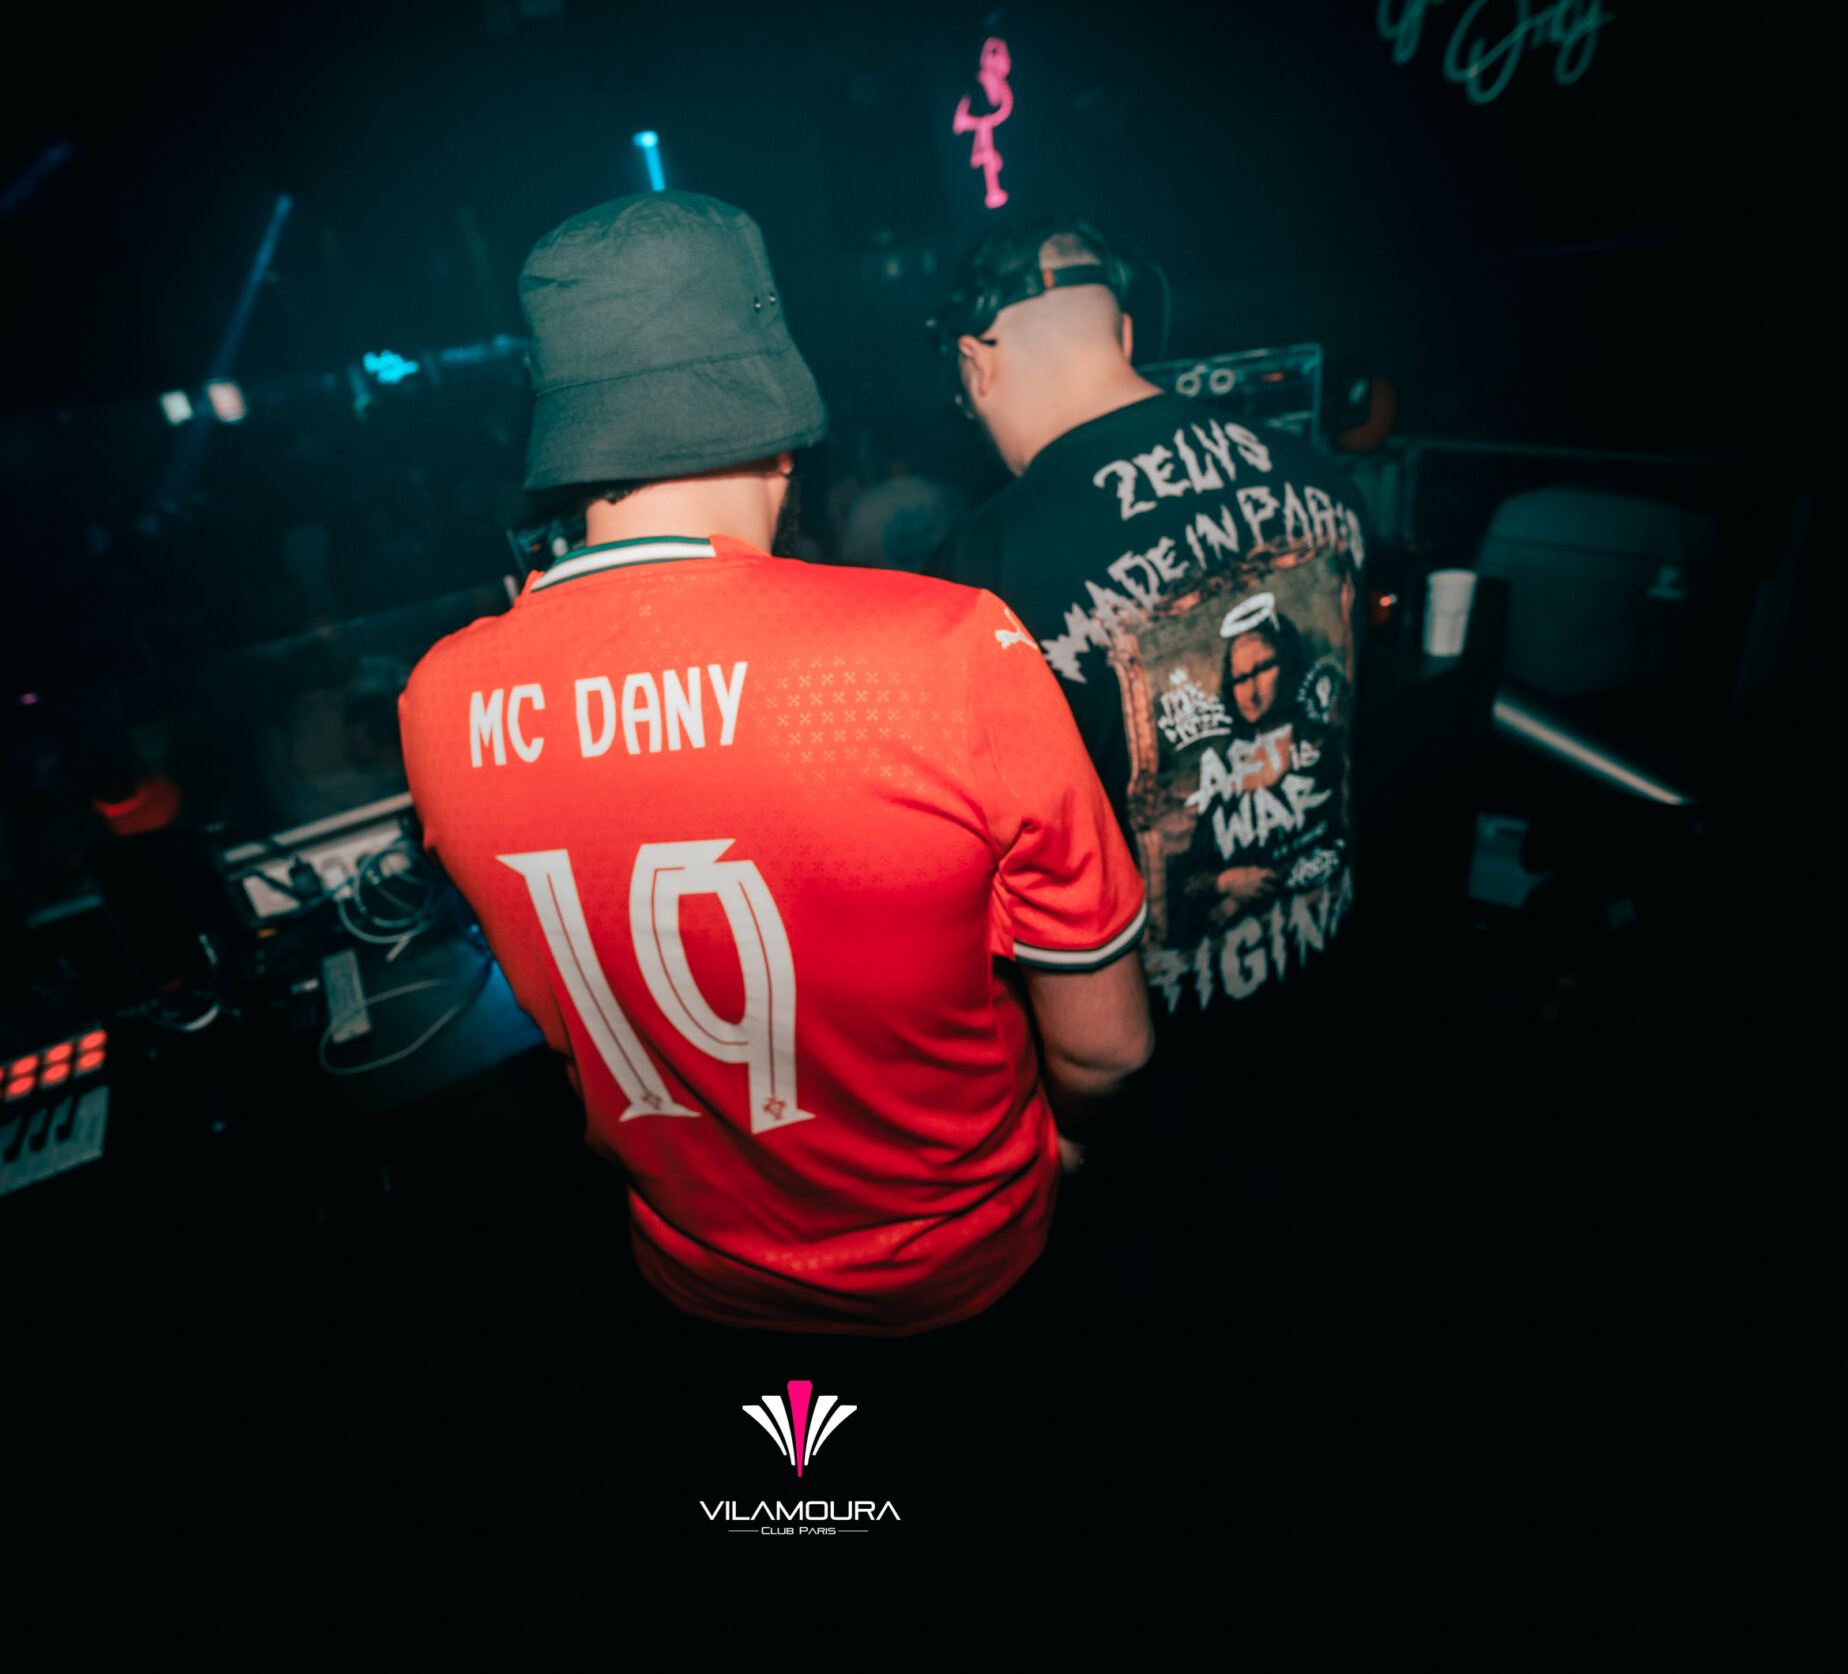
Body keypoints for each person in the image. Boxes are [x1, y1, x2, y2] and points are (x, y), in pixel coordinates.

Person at [397, 192, 1151, 1340]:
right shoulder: (944, 650)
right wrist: (1073, 1138)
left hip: (695, 1285)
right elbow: (1107, 1046)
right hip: (962, 1276)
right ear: (783, 421)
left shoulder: (440, 701)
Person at [923, 214, 1369, 1251]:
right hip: (1327, 1003)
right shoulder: (1320, 476)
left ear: (974, 363)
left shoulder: (983, 570)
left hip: (1152, 1088)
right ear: (1124, 332)